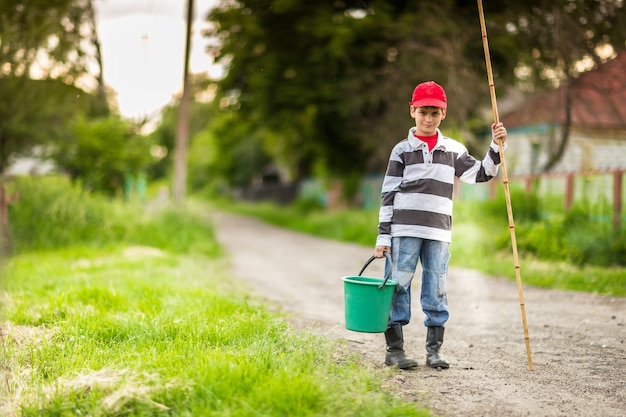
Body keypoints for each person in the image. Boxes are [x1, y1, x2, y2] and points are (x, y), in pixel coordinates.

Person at [374, 80, 507, 370]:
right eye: (423, 112)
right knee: (398, 286)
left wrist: (496, 146)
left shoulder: (453, 150)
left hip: (438, 232)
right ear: (412, 111)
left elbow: (482, 174)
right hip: (403, 231)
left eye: (435, 113)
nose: (428, 118)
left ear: (443, 114)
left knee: (436, 287)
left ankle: (434, 351)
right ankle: (394, 351)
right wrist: (383, 236)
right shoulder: (401, 151)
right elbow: (388, 194)